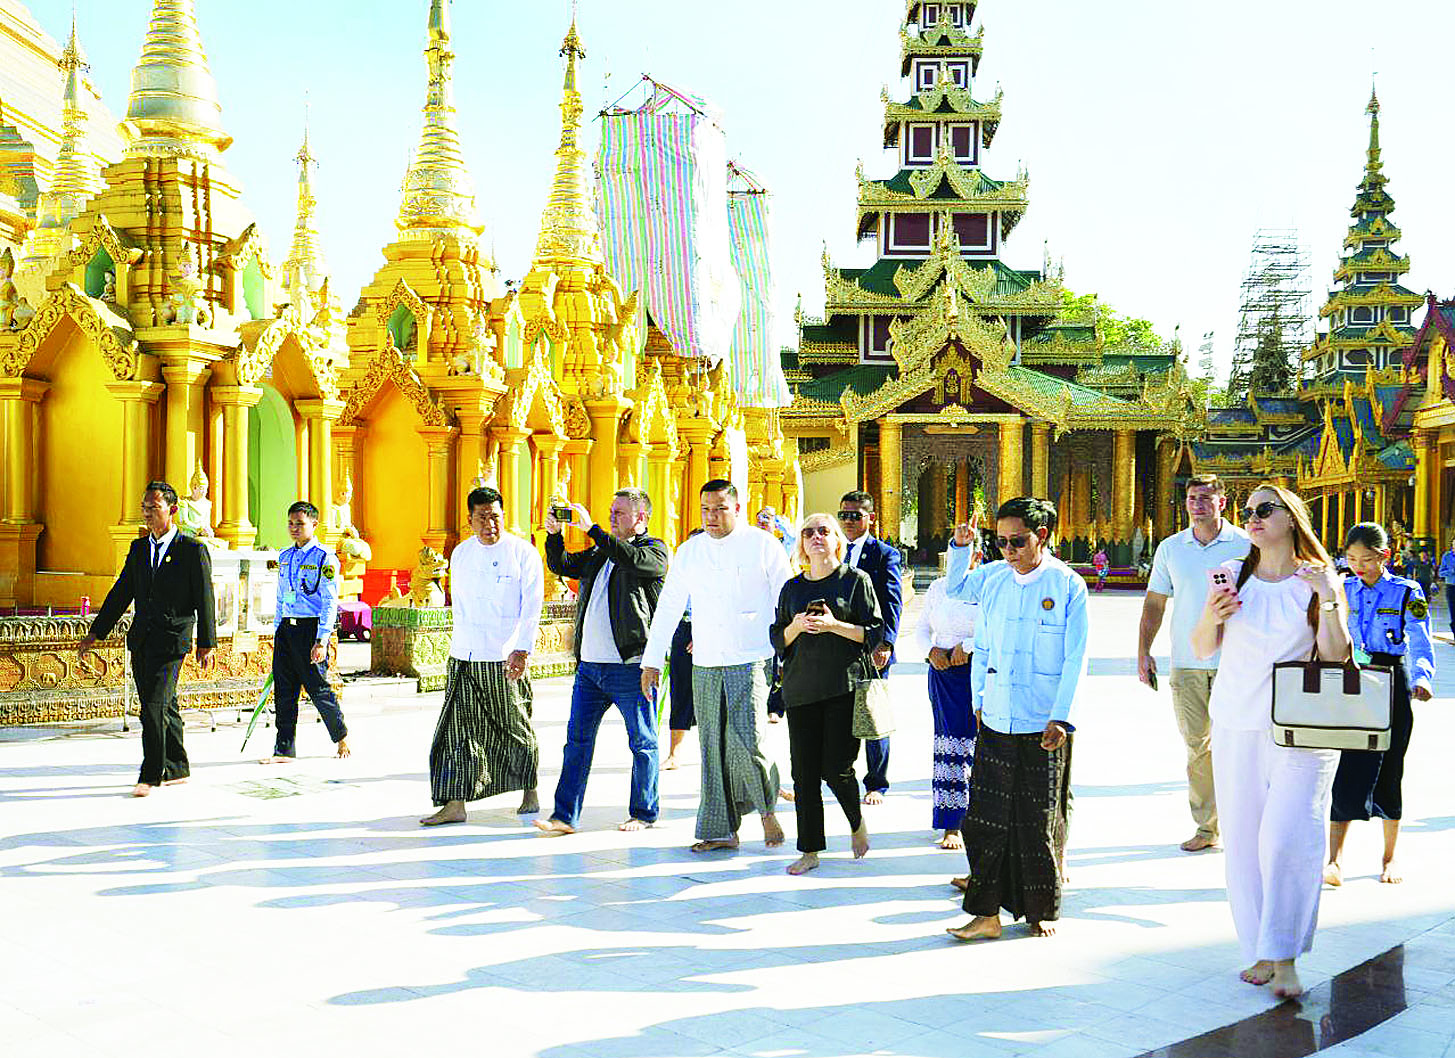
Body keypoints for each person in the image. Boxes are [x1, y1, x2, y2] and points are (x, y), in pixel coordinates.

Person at [1191, 483, 1350, 1000]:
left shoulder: (1316, 578)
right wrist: (1213, 615)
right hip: (1237, 721)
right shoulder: (1233, 573)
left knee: (1289, 839)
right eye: (1248, 511)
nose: (1253, 518)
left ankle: (1285, 957)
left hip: (1301, 730)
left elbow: (1336, 657)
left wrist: (1328, 596)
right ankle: (1261, 949)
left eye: (1264, 509)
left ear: (1292, 517)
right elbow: (1202, 647)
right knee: (1243, 843)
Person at [942, 497, 1087, 941]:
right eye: (1001, 542)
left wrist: (1062, 717)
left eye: (1018, 541)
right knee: (984, 818)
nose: (1009, 550)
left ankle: (1040, 911)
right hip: (996, 714)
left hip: (1044, 720)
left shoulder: (1067, 585)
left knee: (1037, 818)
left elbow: (1075, 658)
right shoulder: (993, 579)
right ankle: (985, 915)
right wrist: (963, 547)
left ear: (1041, 536)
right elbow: (963, 603)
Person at [641, 479, 791, 852]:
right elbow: (669, 606)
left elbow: (785, 600)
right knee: (712, 745)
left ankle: (767, 812)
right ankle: (721, 829)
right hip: (706, 660)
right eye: (706, 509)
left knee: (749, 740)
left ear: (737, 508)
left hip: (751, 657)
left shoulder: (763, 545)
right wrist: (652, 662)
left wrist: (790, 654)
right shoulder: (689, 551)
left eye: (720, 508)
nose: (712, 516)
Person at [536, 489, 669, 835]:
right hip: (590, 669)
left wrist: (593, 529)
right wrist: (555, 536)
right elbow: (562, 565)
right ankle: (564, 816)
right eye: (611, 511)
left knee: (642, 742)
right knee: (576, 742)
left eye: (619, 512)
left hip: (631, 667)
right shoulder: (600, 552)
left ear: (641, 518)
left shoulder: (653, 551)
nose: (612, 517)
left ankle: (644, 813)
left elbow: (630, 559)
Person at [78, 481, 216, 797]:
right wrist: (96, 632)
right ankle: (177, 768)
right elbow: (121, 592)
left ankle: (151, 773)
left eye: (154, 507)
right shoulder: (139, 549)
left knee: (153, 706)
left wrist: (207, 643)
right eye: (144, 508)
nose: (147, 513)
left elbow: (204, 598)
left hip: (173, 640)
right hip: (142, 640)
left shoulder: (192, 550)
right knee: (165, 705)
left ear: (172, 509)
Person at [1137, 474, 1251, 852]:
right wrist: (1143, 651)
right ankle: (1207, 827)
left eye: (1205, 498)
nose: (1197, 504)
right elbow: (1155, 603)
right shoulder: (1172, 548)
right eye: (1191, 498)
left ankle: (1242, 824)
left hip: (1235, 661)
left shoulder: (1246, 545)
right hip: (1186, 663)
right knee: (1197, 747)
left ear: (1222, 502)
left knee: (1237, 745)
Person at [421, 486, 544, 826]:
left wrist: (522, 649)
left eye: (495, 516)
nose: (490, 524)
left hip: (504, 656)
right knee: (456, 730)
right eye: (482, 517)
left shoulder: (523, 553)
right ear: (470, 520)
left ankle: (529, 789)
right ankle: (455, 803)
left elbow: (532, 606)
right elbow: (459, 605)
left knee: (514, 725)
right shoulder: (461, 554)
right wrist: (455, 650)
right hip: (464, 655)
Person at [769, 513, 881, 875]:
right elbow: (778, 638)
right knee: (803, 774)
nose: (816, 537)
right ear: (801, 543)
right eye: (808, 532)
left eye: (824, 531)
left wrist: (834, 625)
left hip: (842, 687)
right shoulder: (792, 588)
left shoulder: (855, 581)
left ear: (837, 540)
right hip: (801, 689)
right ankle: (810, 850)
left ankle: (856, 822)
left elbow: (873, 633)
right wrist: (796, 626)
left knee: (837, 769)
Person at [1324, 522, 1433, 887]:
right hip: (1355, 679)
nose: (1359, 566)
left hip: (1392, 680)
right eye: (1352, 559)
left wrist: (1421, 678)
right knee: (1349, 766)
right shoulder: (1342, 588)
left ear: (1385, 555)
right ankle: (1334, 860)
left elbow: (1419, 637)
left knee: (1390, 766)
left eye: (1367, 559)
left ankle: (1389, 857)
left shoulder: (1407, 591)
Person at [262, 501, 350, 763]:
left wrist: (322, 639)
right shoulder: (285, 556)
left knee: (317, 688)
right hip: (286, 630)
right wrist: (277, 629)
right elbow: (281, 596)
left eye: (300, 523)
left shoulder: (324, 557)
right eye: (290, 523)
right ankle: (284, 749)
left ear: (314, 524)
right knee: (284, 691)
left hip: (310, 630)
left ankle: (341, 736)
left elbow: (329, 601)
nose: (294, 528)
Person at [837, 490, 903, 805]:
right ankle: (838, 774)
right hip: (837, 645)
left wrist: (886, 642)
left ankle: (877, 782)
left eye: (855, 515)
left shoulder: (884, 554)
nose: (848, 521)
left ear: (870, 518)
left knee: (873, 714)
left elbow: (892, 601)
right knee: (836, 713)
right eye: (844, 515)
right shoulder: (834, 549)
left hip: (871, 647)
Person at [911, 564, 980, 849]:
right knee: (950, 745)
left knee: (981, 745)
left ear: (976, 555)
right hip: (942, 673)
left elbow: (999, 628)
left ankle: (981, 818)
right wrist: (930, 651)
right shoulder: (938, 588)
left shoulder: (987, 586)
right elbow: (922, 628)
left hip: (979, 671)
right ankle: (952, 823)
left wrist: (970, 645)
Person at [663, 530, 704, 771]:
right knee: (680, 691)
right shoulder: (680, 572)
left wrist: (703, 633)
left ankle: (717, 753)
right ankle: (674, 753)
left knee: (712, 696)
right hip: (683, 629)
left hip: (712, 632)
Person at [1437, 538, 1455, 639]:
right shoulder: (1447, 556)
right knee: (1453, 613)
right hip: (1451, 587)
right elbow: (1441, 573)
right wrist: (1451, 571)